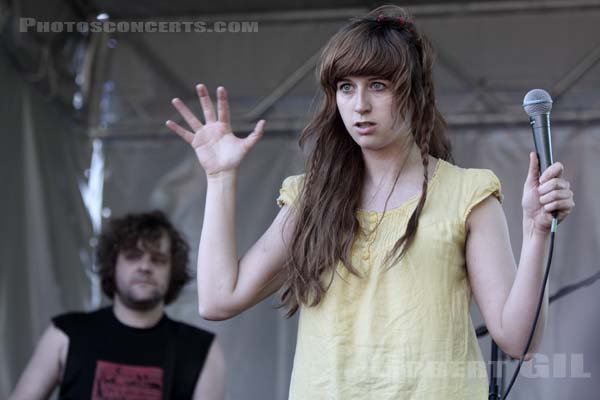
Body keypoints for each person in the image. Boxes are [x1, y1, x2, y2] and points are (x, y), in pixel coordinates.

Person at [165, 5, 574, 399]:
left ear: (414, 93)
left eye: (377, 85)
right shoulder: (312, 197)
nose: (359, 104)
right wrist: (220, 178)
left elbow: (518, 340)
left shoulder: (468, 193)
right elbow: (218, 299)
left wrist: (536, 232)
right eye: (346, 87)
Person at [9, 210, 225, 400]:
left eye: (158, 259)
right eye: (133, 256)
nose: (145, 267)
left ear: (173, 271)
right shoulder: (64, 334)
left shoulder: (201, 348)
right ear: (112, 265)